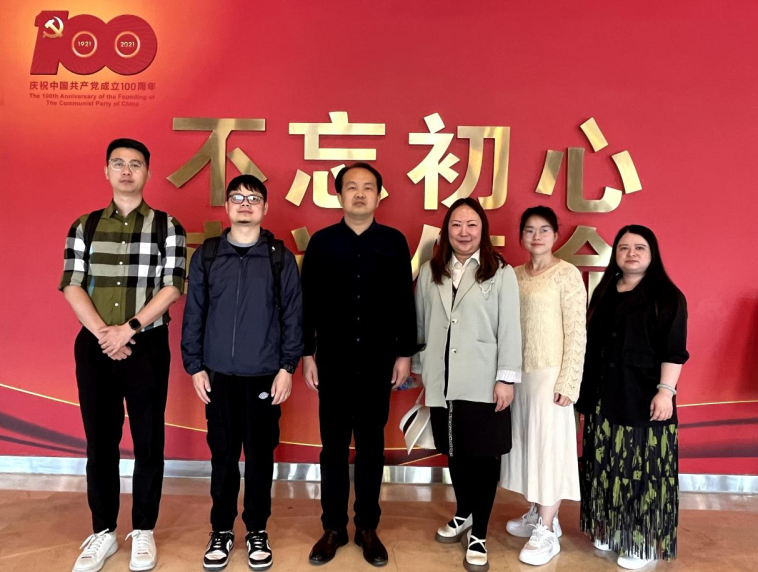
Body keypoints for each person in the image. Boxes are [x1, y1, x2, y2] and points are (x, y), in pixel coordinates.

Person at [60, 138, 186, 572]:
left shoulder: (167, 226)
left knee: (149, 440)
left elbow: (172, 285)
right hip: (96, 346)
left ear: (148, 172)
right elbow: (72, 283)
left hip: (146, 344)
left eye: (135, 164)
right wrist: (104, 334)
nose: (127, 171)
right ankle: (104, 532)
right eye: (118, 163)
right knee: (100, 441)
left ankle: (144, 529)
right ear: (107, 171)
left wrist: (128, 329)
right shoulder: (85, 225)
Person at [181, 175, 303, 571]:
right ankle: (221, 529)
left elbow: (294, 317)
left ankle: (256, 529)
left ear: (265, 207)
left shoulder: (279, 258)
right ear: (227, 206)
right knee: (223, 456)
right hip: (218, 375)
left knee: (260, 458)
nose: (245, 204)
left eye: (253, 198)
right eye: (237, 197)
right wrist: (195, 366)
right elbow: (194, 312)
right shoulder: (208, 255)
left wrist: (287, 368)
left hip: (264, 375)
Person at [300, 162, 416, 567]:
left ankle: (367, 527)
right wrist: (307, 354)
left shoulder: (394, 242)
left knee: (371, 447)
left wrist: (404, 354)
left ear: (379, 196)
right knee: (332, 448)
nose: (360, 194)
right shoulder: (322, 243)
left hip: (378, 361)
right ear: (339, 195)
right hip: (332, 360)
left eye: (368, 187)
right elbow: (308, 303)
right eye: (352, 187)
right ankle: (333, 527)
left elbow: (404, 301)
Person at [413, 197, 522, 572]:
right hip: (443, 381)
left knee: (484, 456)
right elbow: (421, 324)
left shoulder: (500, 272)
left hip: (484, 380)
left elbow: (510, 329)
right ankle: (463, 513)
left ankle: (480, 533)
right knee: (454, 451)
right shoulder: (431, 271)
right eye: (456, 225)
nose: (463, 232)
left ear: (483, 230)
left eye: (471, 224)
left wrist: (505, 378)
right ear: (446, 231)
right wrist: (420, 370)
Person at [576, 225, 688, 570]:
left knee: (640, 470)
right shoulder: (605, 290)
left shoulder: (667, 296)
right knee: (605, 466)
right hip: (603, 396)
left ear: (652, 254)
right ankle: (611, 528)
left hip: (642, 398)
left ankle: (641, 540)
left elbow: (674, 350)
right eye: (624, 247)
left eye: (640, 247)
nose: (631, 253)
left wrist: (666, 391)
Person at [499, 206, 586, 566]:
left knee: (549, 449)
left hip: (551, 376)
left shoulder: (567, 275)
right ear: (521, 235)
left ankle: (548, 530)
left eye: (544, 230)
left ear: (555, 235)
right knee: (528, 447)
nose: (537, 236)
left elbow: (577, 332)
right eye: (530, 230)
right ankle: (538, 512)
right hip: (520, 375)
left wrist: (569, 380)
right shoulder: (513, 275)